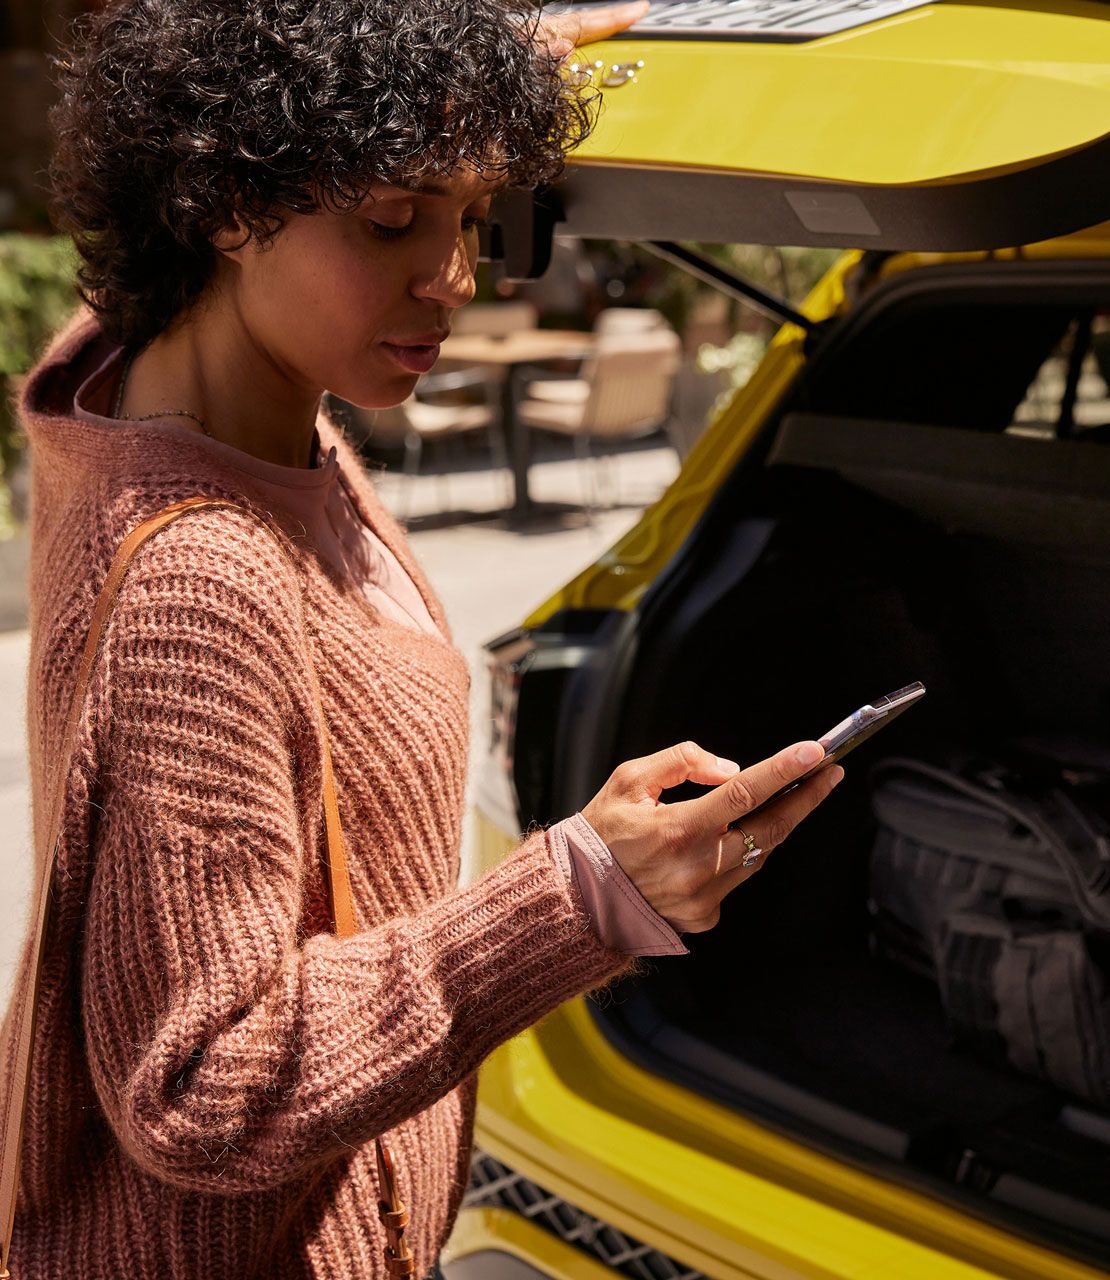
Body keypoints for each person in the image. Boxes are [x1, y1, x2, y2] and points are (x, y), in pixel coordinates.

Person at [0, 1, 845, 1276]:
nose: (453, 276)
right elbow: (202, 1086)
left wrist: (468, 66)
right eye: (394, 216)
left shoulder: (141, 392)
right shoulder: (201, 582)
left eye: (475, 217)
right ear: (227, 199)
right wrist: (578, 896)